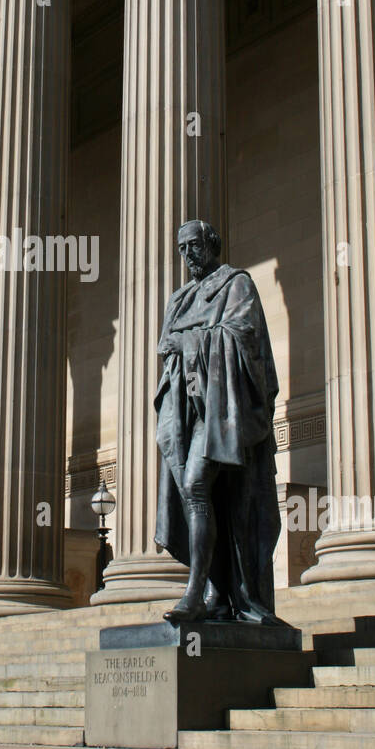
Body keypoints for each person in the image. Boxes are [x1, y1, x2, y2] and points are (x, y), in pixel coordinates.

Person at [154, 219, 284, 624]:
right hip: (189, 411)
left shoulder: (236, 285)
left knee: (196, 485)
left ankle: (197, 593)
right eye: (181, 248)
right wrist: (175, 348)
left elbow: (245, 337)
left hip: (226, 412)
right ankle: (214, 591)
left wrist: (189, 341)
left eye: (193, 245)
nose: (187, 254)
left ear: (211, 244)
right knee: (193, 491)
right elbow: (165, 347)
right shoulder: (179, 299)